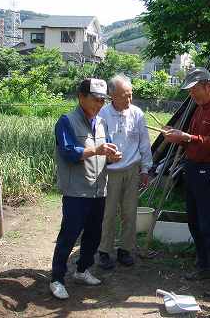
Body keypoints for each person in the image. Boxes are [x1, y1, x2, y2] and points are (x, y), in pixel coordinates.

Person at [163, 68, 210, 297]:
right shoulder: (199, 109)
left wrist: (185, 137)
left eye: (194, 89)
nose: (192, 94)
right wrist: (178, 136)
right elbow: (194, 142)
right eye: (190, 91)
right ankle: (203, 266)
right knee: (194, 222)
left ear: (206, 85)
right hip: (193, 168)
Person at [49, 78, 122, 300]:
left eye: (102, 100)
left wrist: (111, 155)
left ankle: (82, 270)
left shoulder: (101, 122)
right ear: (81, 97)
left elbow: (105, 147)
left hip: (99, 189)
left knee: (93, 234)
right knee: (69, 235)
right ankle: (57, 279)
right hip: (76, 191)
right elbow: (69, 153)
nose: (99, 104)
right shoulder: (66, 121)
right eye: (95, 99)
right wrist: (96, 150)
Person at [97, 74, 153, 269]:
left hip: (132, 170)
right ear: (112, 95)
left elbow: (144, 143)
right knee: (108, 213)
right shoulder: (102, 114)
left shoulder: (137, 113)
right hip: (110, 171)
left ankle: (125, 249)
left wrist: (145, 169)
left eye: (130, 95)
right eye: (124, 96)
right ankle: (104, 251)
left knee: (130, 213)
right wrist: (105, 155)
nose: (128, 100)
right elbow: (98, 142)